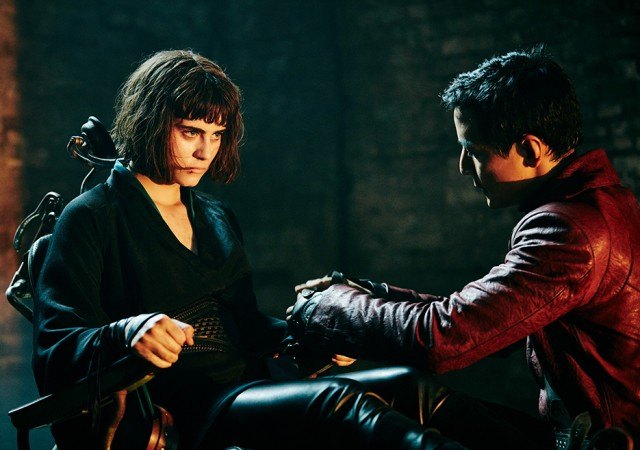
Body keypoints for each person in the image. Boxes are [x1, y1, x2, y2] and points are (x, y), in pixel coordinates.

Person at [32, 49, 466, 449]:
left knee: (410, 387)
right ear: (150, 122)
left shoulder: (216, 217)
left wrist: (316, 341)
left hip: (249, 388)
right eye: (190, 132)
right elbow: (55, 348)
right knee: (340, 403)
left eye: (216, 134)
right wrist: (126, 332)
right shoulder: (91, 217)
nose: (204, 151)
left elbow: (246, 326)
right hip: (181, 409)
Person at [288, 47, 640, 449]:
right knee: (400, 392)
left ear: (530, 150)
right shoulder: (600, 207)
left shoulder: (571, 231)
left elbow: (444, 338)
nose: (461, 166)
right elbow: (487, 319)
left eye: (474, 151)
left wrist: (328, 308)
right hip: (578, 438)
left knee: (372, 405)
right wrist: (368, 294)